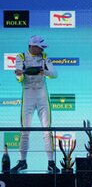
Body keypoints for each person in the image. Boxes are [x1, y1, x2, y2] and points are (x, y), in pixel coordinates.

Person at [11, 35, 59, 173]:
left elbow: (54, 74)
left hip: (42, 95)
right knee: (25, 130)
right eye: (40, 47)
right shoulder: (21, 56)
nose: (42, 49)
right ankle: (22, 162)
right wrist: (19, 74)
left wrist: (46, 72)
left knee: (46, 129)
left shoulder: (44, 57)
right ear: (33, 46)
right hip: (28, 95)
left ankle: (51, 162)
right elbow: (19, 77)